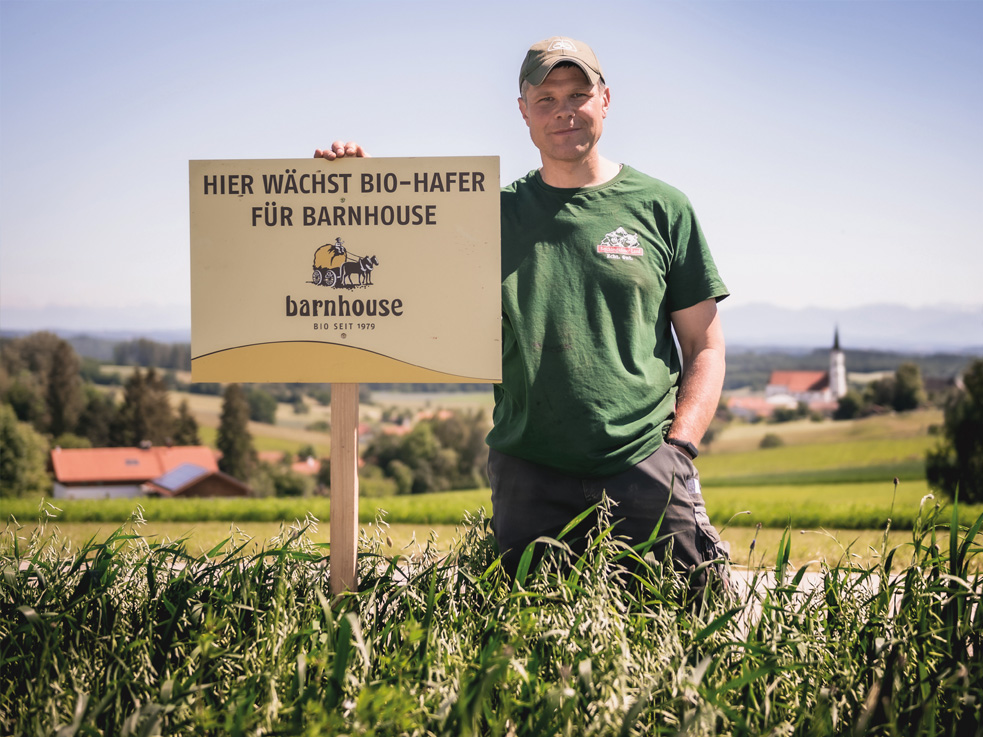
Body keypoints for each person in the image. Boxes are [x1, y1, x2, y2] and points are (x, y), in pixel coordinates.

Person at [316, 36, 730, 594]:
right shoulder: (489, 213)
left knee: (688, 628)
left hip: (646, 463)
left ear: (605, 100)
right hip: (529, 472)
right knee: (530, 653)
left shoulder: (663, 207)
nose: (564, 110)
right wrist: (354, 189)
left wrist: (679, 448)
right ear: (523, 113)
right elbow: (396, 257)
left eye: (579, 94)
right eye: (546, 98)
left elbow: (705, 346)